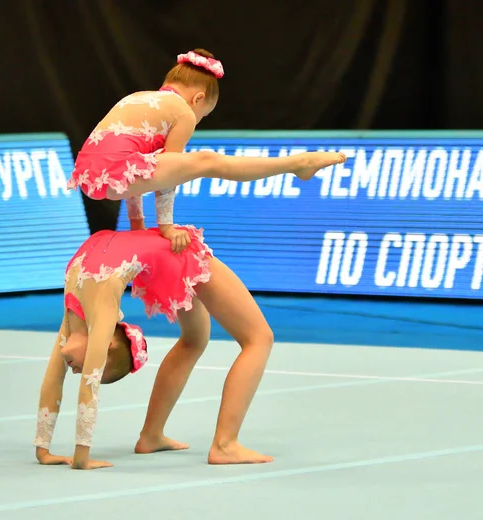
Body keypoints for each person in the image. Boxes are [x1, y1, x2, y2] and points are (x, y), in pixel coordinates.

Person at [34, 225, 276, 469]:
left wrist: (78, 458)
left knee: (232, 339)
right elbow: (61, 380)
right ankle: (204, 442)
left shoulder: (88, 314)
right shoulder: (81, 320)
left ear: (105, 344)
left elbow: (84, 382)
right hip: (163, 256)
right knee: (238, 338)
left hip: (173, 250)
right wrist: (45, 452)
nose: (79, 372)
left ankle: (188, 440)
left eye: (86, 367)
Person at [68, 48, 347, 253]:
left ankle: (297, 165)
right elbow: (169, 175)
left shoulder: (138, 97)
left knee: (177, 162)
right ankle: (297, 163)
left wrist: (136, 223)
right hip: (113, 175)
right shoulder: (182, 112)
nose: (197, 121)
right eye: (203, 115)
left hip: (89, 178)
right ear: (198, 98)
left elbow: (137, 168)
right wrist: (166, 226)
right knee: (207, 161)